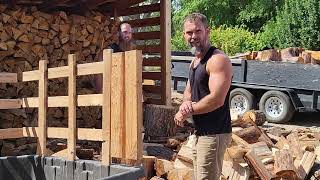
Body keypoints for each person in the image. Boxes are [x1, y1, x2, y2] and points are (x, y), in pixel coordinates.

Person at [174, 13, 233, 180]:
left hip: (214, 133)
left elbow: (216, 99)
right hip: (200, 132)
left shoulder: (217, 60)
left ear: (207, 31)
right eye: (189, 33)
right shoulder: (195, 61)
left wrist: (187, 111)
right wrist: (185, 105)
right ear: (183, 35)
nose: (193, 36)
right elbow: (188, 91)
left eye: (198, 31)